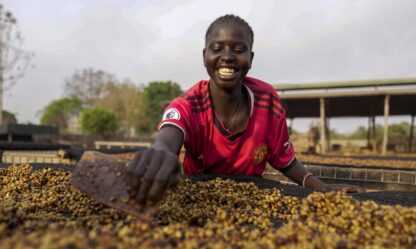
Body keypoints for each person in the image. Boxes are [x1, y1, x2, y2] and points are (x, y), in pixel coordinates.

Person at [126, 14, 364, 205]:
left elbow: (284, 160)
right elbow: (169, 136)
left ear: (251, 57)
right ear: (204, 56)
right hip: (195, 200)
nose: (227, 57)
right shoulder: (189, 104)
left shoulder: (268, 101)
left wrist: (319, 186)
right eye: (217, 48)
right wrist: (160, 152)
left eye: (238, 50)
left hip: (253, 199)